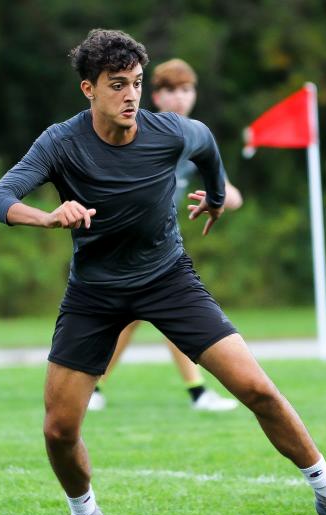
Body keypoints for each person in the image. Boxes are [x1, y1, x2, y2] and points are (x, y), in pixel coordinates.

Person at [0, 29, 326, 515]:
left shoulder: (170, 132)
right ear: (89, 89)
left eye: (135, 83)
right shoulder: (60, 143)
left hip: (168, 279)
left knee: (257, 389)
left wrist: (217, 196)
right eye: (117, 85)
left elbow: (206, 143)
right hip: (95, 294)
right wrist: (45, 217)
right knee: (59, 430)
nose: (130, 95)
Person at [89, 58, 242, 413]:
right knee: (147, 315)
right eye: (171, 90)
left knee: (152, 314)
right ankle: (95, 386)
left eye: (186, 90)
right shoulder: (143, 132)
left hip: (158, 245)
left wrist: (219, 197)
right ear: (154, 95)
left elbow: (230, 192)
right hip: (118, 240)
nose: (179, 98)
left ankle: (192, 391)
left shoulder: (190, 137)